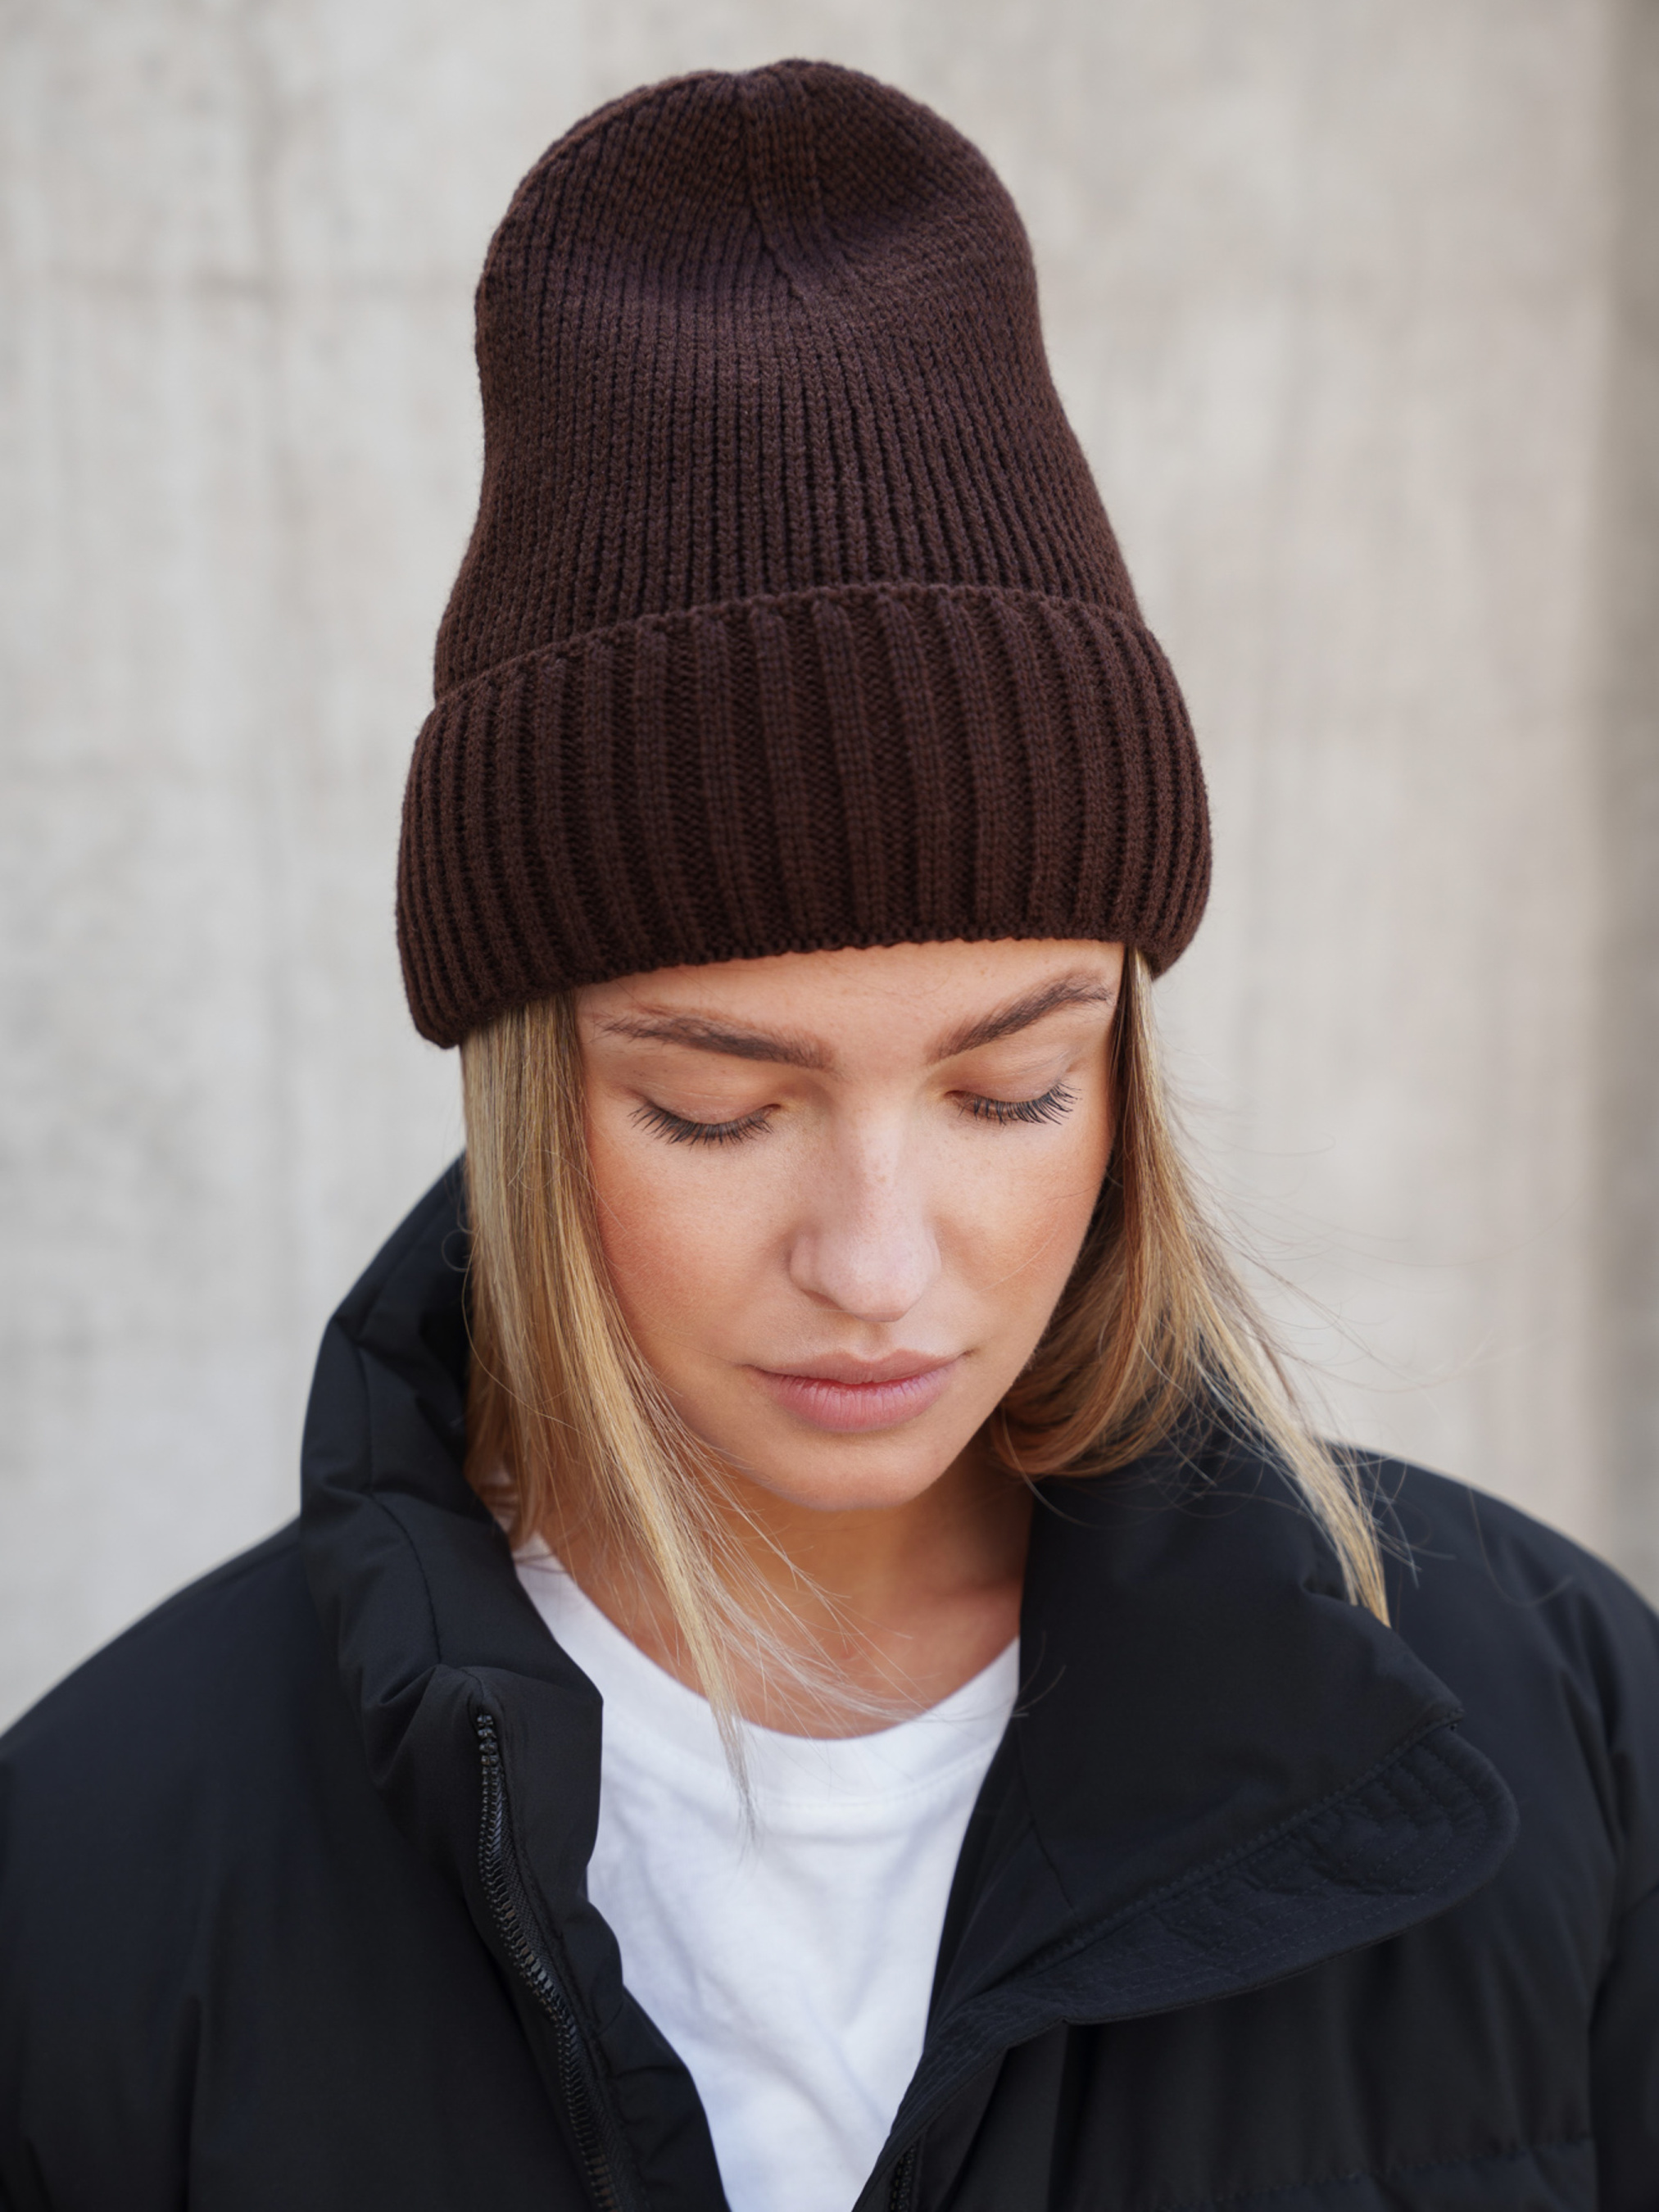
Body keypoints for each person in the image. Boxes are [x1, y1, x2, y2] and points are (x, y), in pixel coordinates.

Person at [1, 58, 1654, 2212]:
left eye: (1009, 1087)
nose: (878, 1261)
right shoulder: (94, 1887)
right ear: (529, 1090)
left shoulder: (1567, 1730)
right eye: (716, 1108)